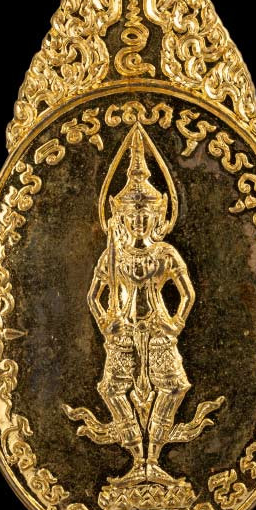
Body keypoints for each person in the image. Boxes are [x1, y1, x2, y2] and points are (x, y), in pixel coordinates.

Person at [88, 127, 195, 487]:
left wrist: (177, 323)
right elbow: (94, 297)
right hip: (122, 331)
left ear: (156, 217)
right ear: (120, 217)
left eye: (144, 215)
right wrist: (106, 323)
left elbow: (187, 294)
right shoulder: (113, 254)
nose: (138, 221)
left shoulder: (165, 253)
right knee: (112, 389)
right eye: (132, 215)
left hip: (159, 329)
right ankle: (137, 459)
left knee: (174, 387)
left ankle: (154, 460)